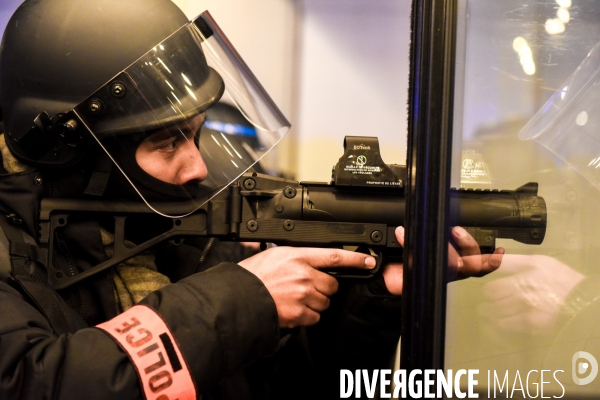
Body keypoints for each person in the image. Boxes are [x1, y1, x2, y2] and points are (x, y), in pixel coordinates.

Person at [0, 0, 503, 399]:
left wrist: (372, 298)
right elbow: (31, 382)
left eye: (195, 135)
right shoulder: (12, 242)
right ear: (79, 152)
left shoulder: (178, 228)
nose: (197, 168)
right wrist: (244, 299)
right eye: (166, 142)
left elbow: (285, 389)